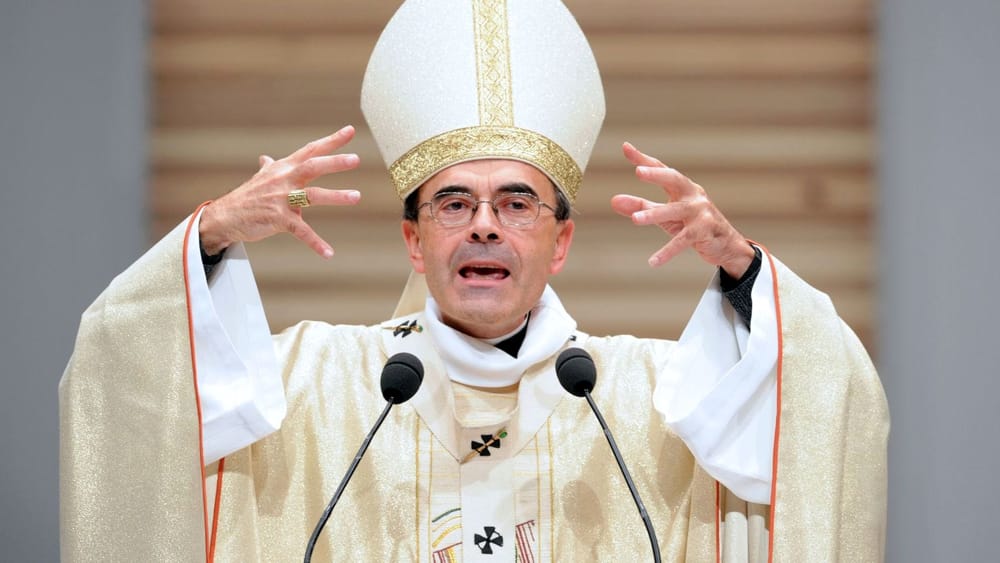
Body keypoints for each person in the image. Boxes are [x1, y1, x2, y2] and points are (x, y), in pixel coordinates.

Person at [59, 0, 888, 561]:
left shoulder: (647, 400)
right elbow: (129, 383)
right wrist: (211, 233)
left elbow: (820, 402)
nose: (484, 224)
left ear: (560, 242)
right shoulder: (316, 387)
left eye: (517, 203)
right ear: (413, 240)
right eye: (453, 203)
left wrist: (744, 271)